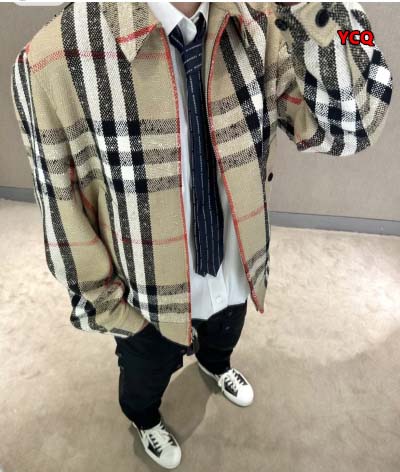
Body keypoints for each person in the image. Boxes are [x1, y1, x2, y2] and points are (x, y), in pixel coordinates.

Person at [11, 1, 392, 469]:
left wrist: (321, 9)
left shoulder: (264, 22)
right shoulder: (51, 60)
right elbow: (63, 216)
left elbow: (354, 125)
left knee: (224, 340)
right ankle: (145, 420)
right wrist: (113, 311)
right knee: (144, 381)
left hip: (236, 269)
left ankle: (216, 365)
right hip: (146, 299)